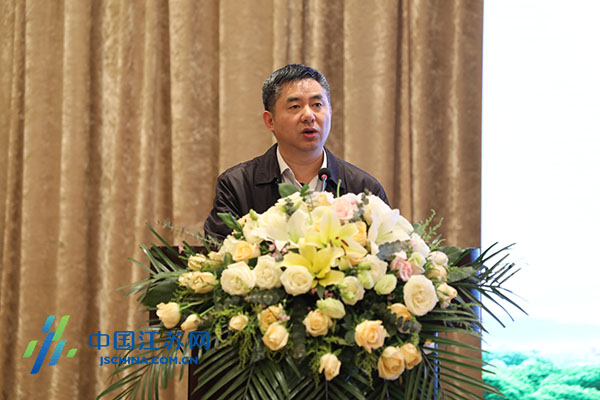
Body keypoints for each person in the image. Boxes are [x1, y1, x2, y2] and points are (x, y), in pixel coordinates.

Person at [204, 64, 389, 241]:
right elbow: (219, 253)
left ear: (330, 113)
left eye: (317, 104)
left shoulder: (364, 189)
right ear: (270, 121)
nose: (309, 115)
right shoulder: (237, 186)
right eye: (295, 107)